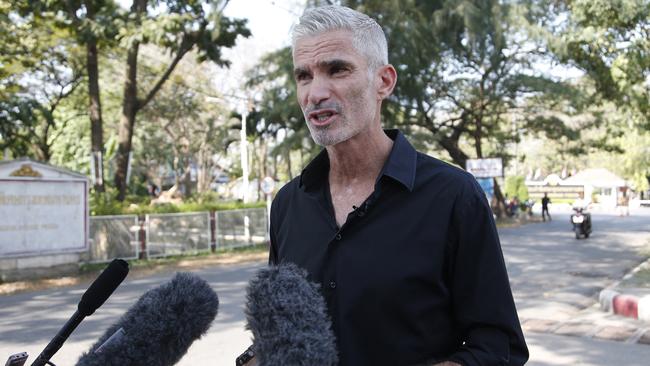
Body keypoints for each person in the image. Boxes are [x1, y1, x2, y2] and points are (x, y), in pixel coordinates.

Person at [267, 5, 528, 366]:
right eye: (304, 76)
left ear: (384, 82)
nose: (316, 93)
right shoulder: (287, 204)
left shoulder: (453, 196)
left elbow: (499, 347)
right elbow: (282, 330)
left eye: (337, 69)